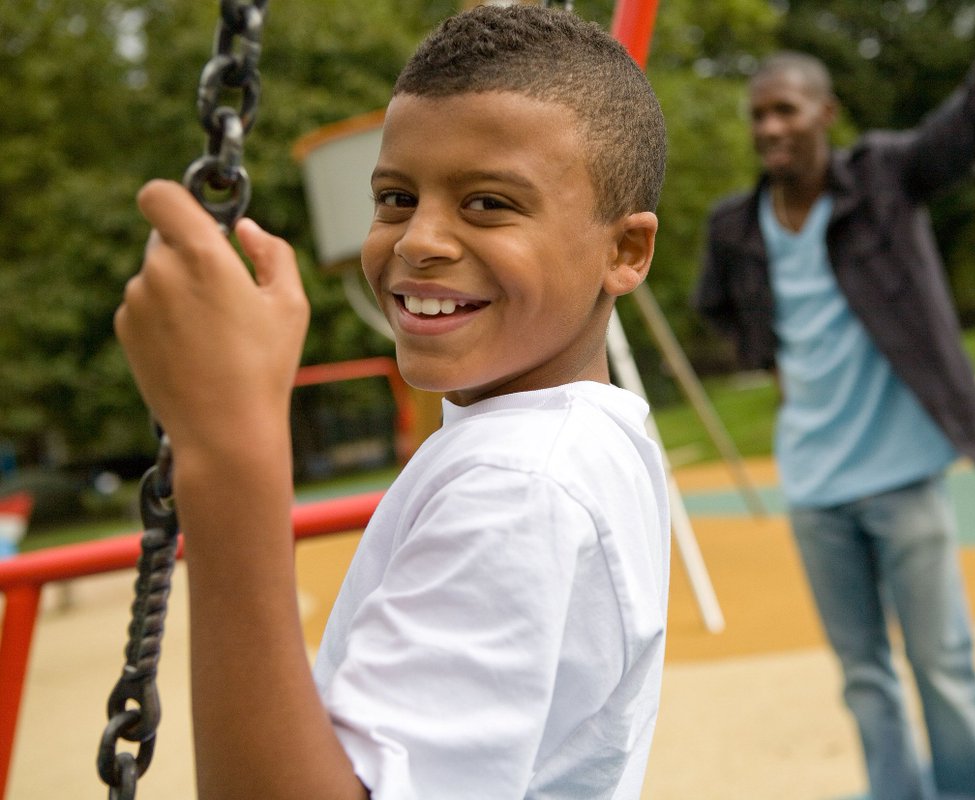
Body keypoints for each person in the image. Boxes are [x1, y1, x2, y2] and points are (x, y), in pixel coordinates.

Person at [114, 6, 670, 799]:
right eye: (396, 198)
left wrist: (226, 451)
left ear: (625, 251)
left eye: (488, 203)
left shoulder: (520, 489)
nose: (417, 241)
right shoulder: (568, 441)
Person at [693, 1, 975, 798]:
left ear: (824, 113)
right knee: (863, 675)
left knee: (941, 662)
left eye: (785, 110)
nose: (769, 129)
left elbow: (965, 132)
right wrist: (770, 358)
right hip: (814, 486)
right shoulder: (737, 227)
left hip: (901, 473)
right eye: (758, 115)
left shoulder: (883, 180)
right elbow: (713, 303)